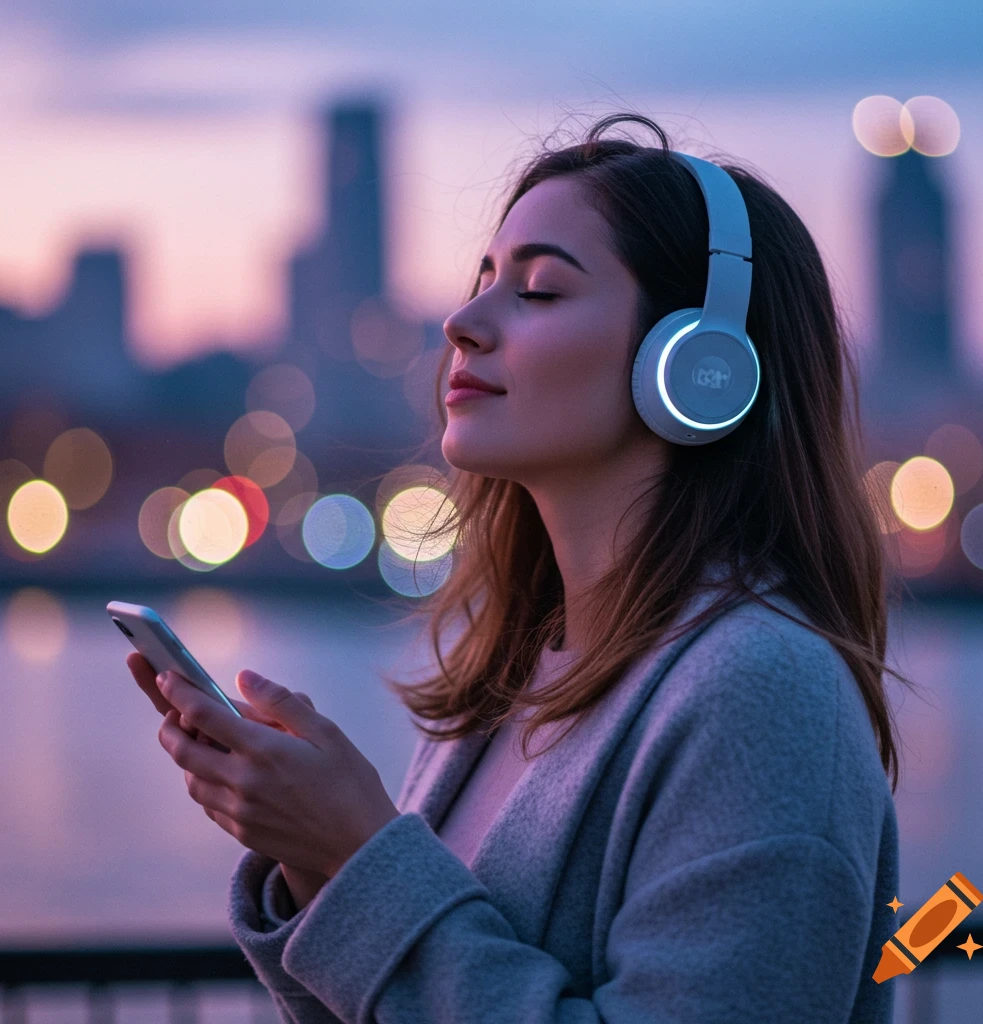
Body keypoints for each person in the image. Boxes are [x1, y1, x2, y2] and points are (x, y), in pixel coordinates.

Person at [133, 111, 921, 1023]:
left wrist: (358, 855)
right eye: (482, 282)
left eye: (540, 290)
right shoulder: (514, 680)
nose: (461, 323)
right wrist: (313, 857)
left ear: (698, 363)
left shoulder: (763, 690)